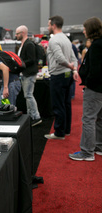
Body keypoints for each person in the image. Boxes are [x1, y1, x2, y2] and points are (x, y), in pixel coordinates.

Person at [69, 17, 102, 161]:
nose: (83, 31)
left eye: (84, 28)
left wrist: (88, 83)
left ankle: (87, 152)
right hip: (99, 89)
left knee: (88, 119)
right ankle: (99, 147)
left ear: (91, 29)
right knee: (99, 119)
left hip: (94, 89)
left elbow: (94, 70)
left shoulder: (96, 46)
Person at [44, 15, 78, 140]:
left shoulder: (54, 40)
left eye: (48, 25)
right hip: (67, 75)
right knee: (66, 103)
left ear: (53, 25)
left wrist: (69, 65)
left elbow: (59, 58)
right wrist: (74, 69)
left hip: (58, 75)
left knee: (58, 104)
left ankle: (59, 133)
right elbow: (73, 57)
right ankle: (66, 130)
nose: (48, 27)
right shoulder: (66, 39)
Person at [15, 25, 42, 126]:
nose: (16, 35)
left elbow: (31, 60)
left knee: (29, 95)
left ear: (22, 33)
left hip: (29, 73)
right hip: (26, 73)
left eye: (17, 33)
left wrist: (19, 63)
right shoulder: (24, 44)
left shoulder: (29, 44)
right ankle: (30, 116)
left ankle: (36, 117)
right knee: (28, 96)